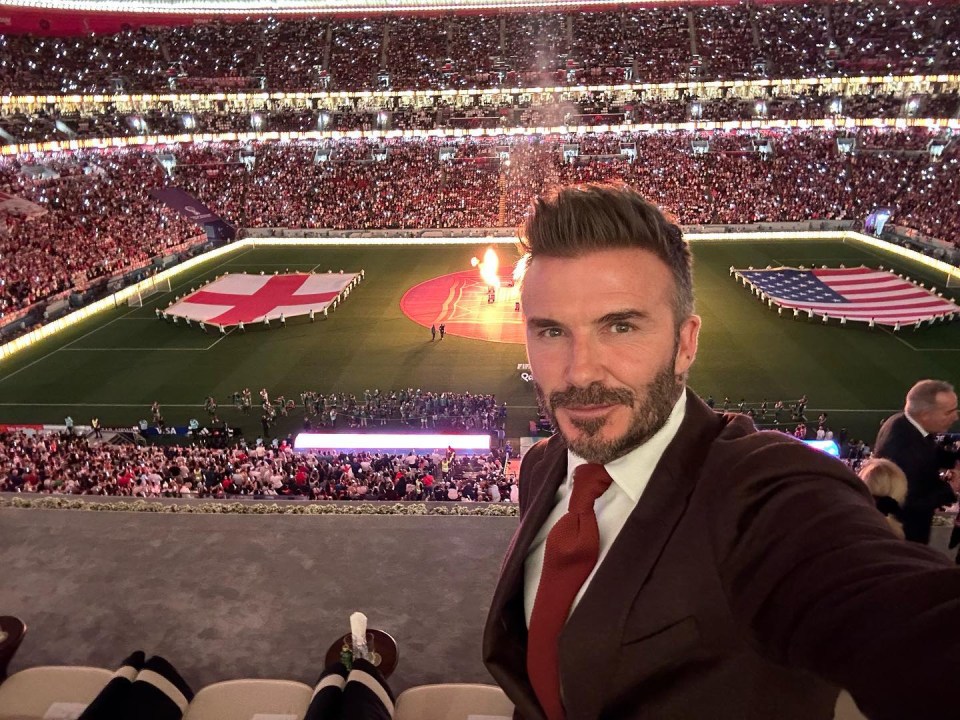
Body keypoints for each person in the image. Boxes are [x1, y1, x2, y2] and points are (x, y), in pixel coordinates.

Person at [481, 183, 960, 720]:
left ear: (686, 343)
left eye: (620, 326)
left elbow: (900, 615)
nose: (580, 371)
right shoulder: (545, 466)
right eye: (550, 331)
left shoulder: (766, 490)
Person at [873, 379, 959, 544]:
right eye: (949, 412)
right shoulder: (902, 447)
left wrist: (953, 459)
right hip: (908, 537)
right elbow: (907, 503)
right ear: (925, 415)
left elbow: (929, 452)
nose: (955, 417)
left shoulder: (904, 423)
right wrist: (951, 488)